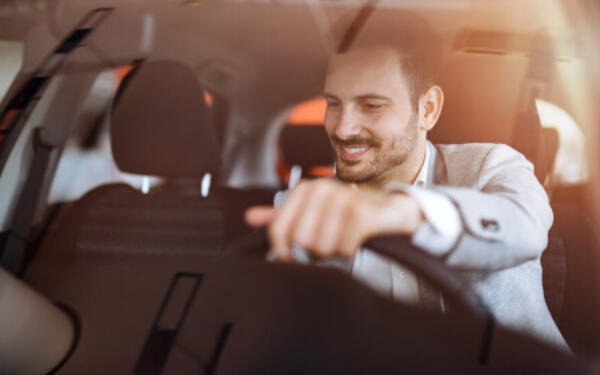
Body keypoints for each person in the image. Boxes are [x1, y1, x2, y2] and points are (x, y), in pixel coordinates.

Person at [245, 15, 567, 349]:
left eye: (371, 106)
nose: (342, 128)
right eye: (333, 104)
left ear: (428, 109)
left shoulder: (490, 166)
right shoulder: (302, 206)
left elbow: (525, 226)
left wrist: (402, 211)